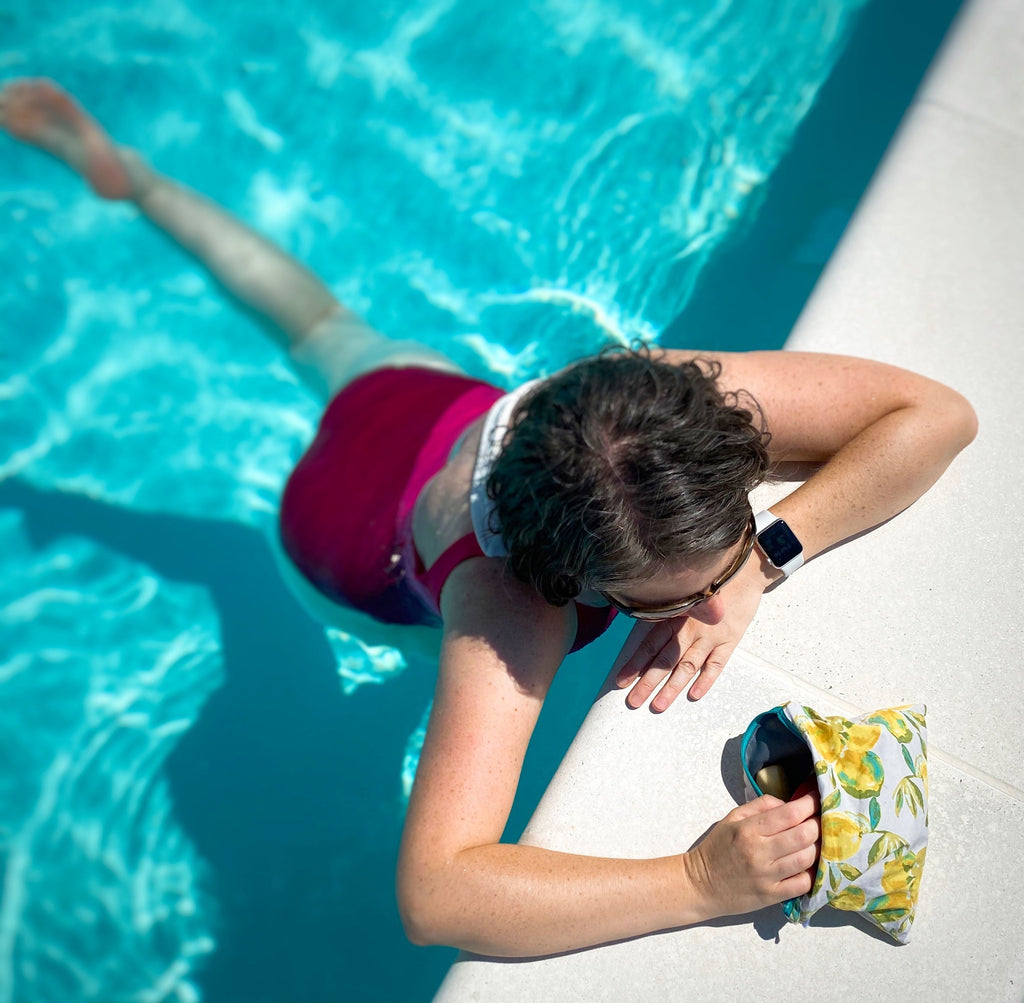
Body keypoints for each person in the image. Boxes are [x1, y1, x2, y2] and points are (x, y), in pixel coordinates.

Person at [1, 78, 977, 957]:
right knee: (325, 501)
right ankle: (136, 183)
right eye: (684, 593)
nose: (718, 608)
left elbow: (936, 416)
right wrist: (692, 882)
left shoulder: (652, 409)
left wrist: (765, 552)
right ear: (575, 586)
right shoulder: (508, 608)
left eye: (720, 562)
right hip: (338, 546)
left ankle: (134, 181)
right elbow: (436, 896)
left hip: (413, 404)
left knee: (323, 332)